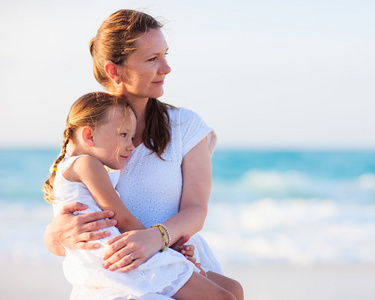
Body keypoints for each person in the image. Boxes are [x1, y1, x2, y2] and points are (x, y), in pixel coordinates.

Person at [44, 9, 243, 300]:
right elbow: (73, 216)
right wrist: (53, 236)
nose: (166, 68)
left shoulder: (185, 126)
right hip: (118, 275)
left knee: (234, 292)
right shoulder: (92, 132)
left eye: (165, 55)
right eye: (152, 59)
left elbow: (196, 209)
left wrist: (158, 238)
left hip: (173, 255)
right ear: (115, 70)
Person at [43, 91, 237, 300]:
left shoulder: (70, 165)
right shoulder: (88, 164)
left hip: (112, 255)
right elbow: (121, 218)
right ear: (89, 136)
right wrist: (166, 247)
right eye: (124, 135)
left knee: (233, 290)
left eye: (132, 136)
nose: (132, 145)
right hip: (121, 257)